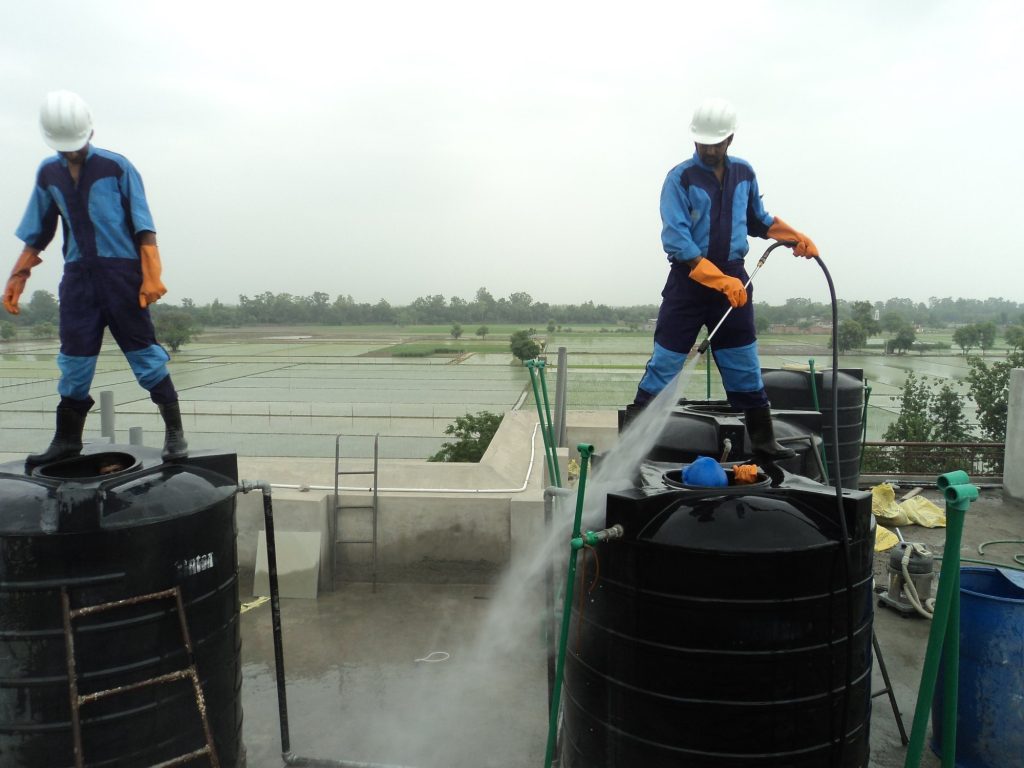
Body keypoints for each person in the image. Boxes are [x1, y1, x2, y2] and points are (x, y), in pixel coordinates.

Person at [3, 90, 188, 465]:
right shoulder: (48, 173)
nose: (72, 152)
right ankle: (67, 441)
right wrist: (19, 272)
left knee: (144, 355)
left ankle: (175, 433)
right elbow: (40, 228)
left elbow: (143, 224)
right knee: (74, 359)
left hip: (122, 276)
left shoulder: (117, 167)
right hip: (78, 280)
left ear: (90, 131)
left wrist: (150, 273)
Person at [633, 97, 818, 461]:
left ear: (730, 139)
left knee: (743, 361)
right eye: (703, 142)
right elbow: (677, 240)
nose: (709, 148)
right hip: (689, 281)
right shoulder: (680, 178)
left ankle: (763, 442)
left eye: (716, 143)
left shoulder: (744, 174)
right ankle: (635, 442)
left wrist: (795, 237)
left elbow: (758, 220)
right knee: (666, 361)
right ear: (694, 140)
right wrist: (717, 280)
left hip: (734, 279)